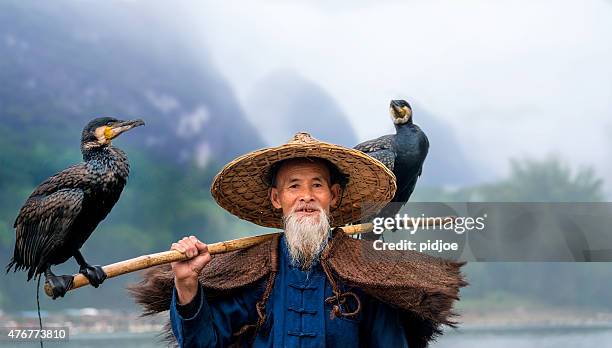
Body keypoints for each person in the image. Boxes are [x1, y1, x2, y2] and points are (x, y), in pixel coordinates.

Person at [155, 133, 464, 347]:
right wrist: (186, 284)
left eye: (317, 185)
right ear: (277, 198)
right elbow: (202, 343)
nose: (306, 196)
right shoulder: (256, 269)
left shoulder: (369, 272)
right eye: (294, 186)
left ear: (334, 196)